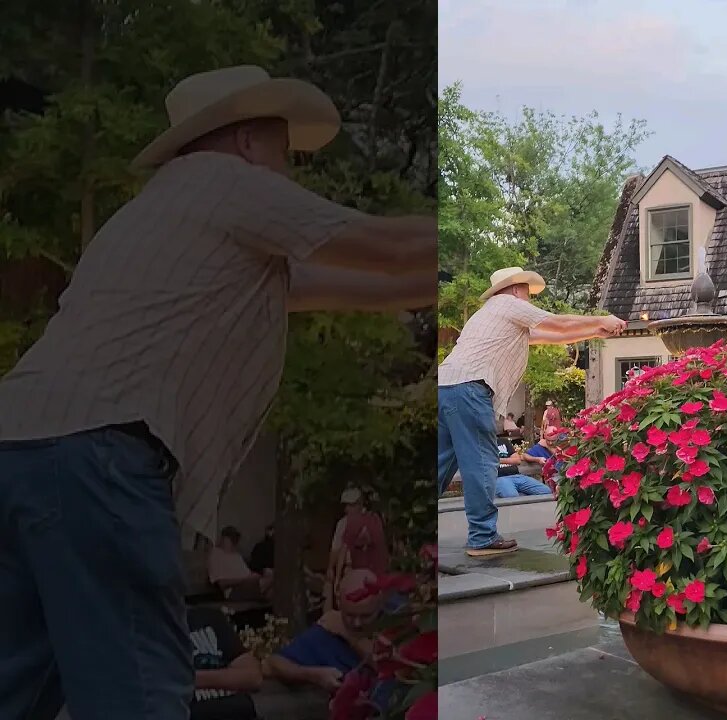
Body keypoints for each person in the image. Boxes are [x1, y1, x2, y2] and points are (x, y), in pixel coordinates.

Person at [0, 64, 433, 718]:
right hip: (98, 459)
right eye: (284, 151)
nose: (288, 173)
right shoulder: (223, 182)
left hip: (17, 451)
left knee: (19, 691)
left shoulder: (159, 224)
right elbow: (391, 250)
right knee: (138, 698)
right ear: (248, 140)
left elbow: (383, 283)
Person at [437, 267, 626, 556]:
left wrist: (594, 331)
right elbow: (556, 323)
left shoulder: (492, 317)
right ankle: (482, 537)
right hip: (470, 389)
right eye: (528, 291)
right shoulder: (507, 304)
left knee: (440, 462)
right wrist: (602, 318)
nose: (529, 298)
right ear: (515, 289)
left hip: (445, 386)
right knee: (482, 462)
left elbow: (549, 335)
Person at [266, 569, 395, 710]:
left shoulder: (397, 622)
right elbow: (275, 663)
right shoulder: (327, 630)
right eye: (350, 615)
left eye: (366, 616)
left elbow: (394, 668)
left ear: (380, 603)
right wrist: (314, 675)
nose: (356, 623)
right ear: (339, 603)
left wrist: (350, 637)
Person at [187, 606, 263, 720]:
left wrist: (191, 678)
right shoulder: (154, 630)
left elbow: (253, 677)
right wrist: (226, 677)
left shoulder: (207, 617)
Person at [326, 488, 389, 610]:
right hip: (351, 568)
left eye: (351, 505)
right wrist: (332, 570)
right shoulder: (343, 523)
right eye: (346, 505)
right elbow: (338, 549)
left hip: (371, 570)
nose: (347, 509)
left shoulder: (374, 520)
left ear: (360, 504)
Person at [209, 526, 274, 600]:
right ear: (224, 539)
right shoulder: (216, 554)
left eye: (236, 540)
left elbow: (247, 573)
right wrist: (245, 580)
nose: (234, 544)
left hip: (249, 584)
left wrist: (255, 575)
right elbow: (222, 583)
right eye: (232, 540)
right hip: (234, 590)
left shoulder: (237, 555)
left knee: (272, 583)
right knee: (273, 580)